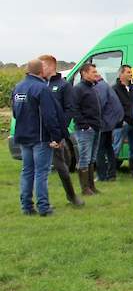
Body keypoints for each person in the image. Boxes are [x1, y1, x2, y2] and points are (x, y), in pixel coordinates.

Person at [12, 59, 66, 216]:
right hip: (40, 137)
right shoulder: (42, 88)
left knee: (27, 171)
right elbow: (50, 115)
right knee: (41, 172)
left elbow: (16, 113)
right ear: (40, 71)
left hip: (23, 135)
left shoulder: (18, 87)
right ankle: (43, 207)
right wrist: (56, 136)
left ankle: (26, 206)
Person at [40, 54, 84, 207]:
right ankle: (41, 201)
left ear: (52, 66)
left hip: (56, 134)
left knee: (61, 167)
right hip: (40, 134)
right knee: (40, 170)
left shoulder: (64, 86)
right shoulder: (40, 85)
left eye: (43, 66)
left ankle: (72, 196)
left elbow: (69, 109)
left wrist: (59, 131)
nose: (41, 69)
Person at [72, 63, 102, 196]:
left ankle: (91, 186)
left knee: (92, 158)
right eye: (93, 72)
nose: (96, 74)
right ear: (84, 73)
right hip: (85, 129)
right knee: (84, 157)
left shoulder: (92, 88)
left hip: (96, 127)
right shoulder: (78, 89)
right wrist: (85, 125)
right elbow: (75, 109)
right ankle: (85, 188)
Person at [93, 74, 124, 183]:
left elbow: (99, 104)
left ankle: (102, 175)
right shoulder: (105, 85)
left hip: (105, 122)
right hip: (111, 121)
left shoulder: (100, 87)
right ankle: (112, 174)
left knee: (99, 149)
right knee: (108, 148)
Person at [112, 65, 133, 176]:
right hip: (122, 123)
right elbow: (115, 107)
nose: (131, 74)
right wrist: (121, 120)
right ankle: (112, 171)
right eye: (128, 72)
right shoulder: (115, 89)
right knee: (116, 147)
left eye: (131, 72)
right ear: (121, 74)